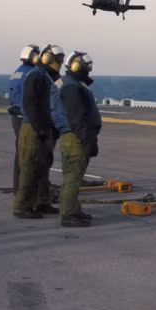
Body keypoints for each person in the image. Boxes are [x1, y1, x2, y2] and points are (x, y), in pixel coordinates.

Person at [13, 44, 64, 219]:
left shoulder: (52, 77)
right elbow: (29, 104)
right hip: (33, 128)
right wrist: (40, 127)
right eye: (58, 59)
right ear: (48, 58)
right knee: (29, 167)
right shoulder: (35, 75)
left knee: (44, 166)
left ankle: (42, 202)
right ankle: (22, 206)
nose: (60, 62)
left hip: (46, 126)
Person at [51, 51, 102, 228]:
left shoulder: (66, 83)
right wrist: (88, 141)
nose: (88, 70)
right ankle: (69, 214)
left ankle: (73, 209)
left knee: (71, 176)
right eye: (86, 67)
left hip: (71, 136)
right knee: (73, 177)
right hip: (76, 137)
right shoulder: (72, 87)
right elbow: (78, 117)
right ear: (76, 66)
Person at [7, 44, 39, 191]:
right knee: (29, 152)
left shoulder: (17, 72)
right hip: (26, 116)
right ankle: (25, 188)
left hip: (17, 116)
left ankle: (18, 186)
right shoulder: (31, 73)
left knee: (20, 151)